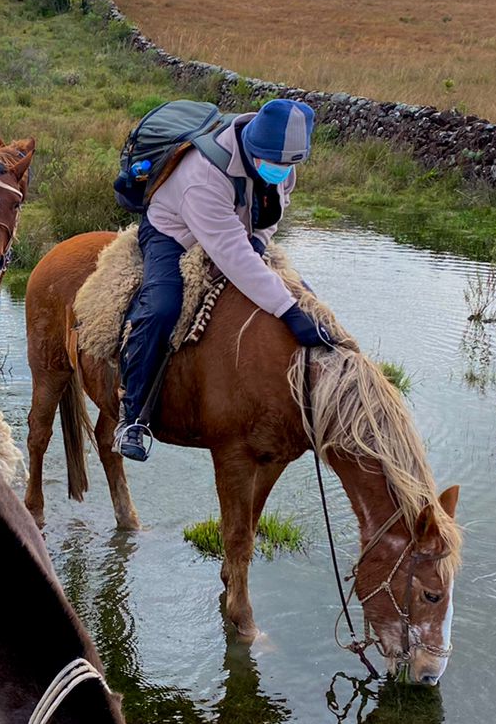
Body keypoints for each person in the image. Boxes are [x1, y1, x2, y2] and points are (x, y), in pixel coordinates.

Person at [115, 97, 333, 461]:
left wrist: (260, 241)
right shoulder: (203, 176)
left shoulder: (281, 163)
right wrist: (288, 310)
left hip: (235, 229)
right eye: (275, 165)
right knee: (162, 306)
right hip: (174, 231)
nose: (282, 172)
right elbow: (231, 255)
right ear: (251, 146)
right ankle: (133, 415)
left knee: (307, 300)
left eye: (288, 165)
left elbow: (275, 210)